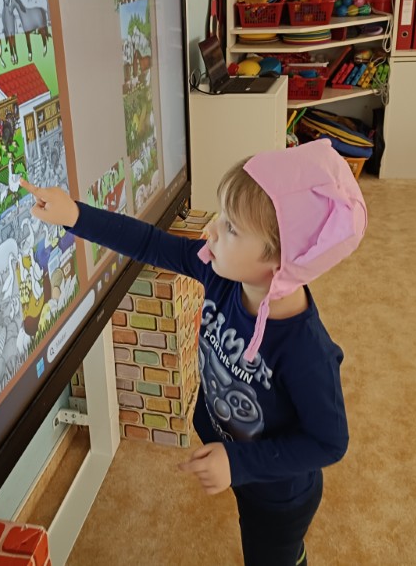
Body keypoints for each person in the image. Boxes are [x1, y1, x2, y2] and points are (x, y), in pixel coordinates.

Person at [20, 139, 367, 565]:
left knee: (270, 554)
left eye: (231, 228)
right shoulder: (222, 273)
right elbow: (149, 242)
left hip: (278, 494)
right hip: (235, 455)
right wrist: (75, 215)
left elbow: (329, 442)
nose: (211, 231)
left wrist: (238, 464)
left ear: (281, 262)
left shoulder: (306, 351)